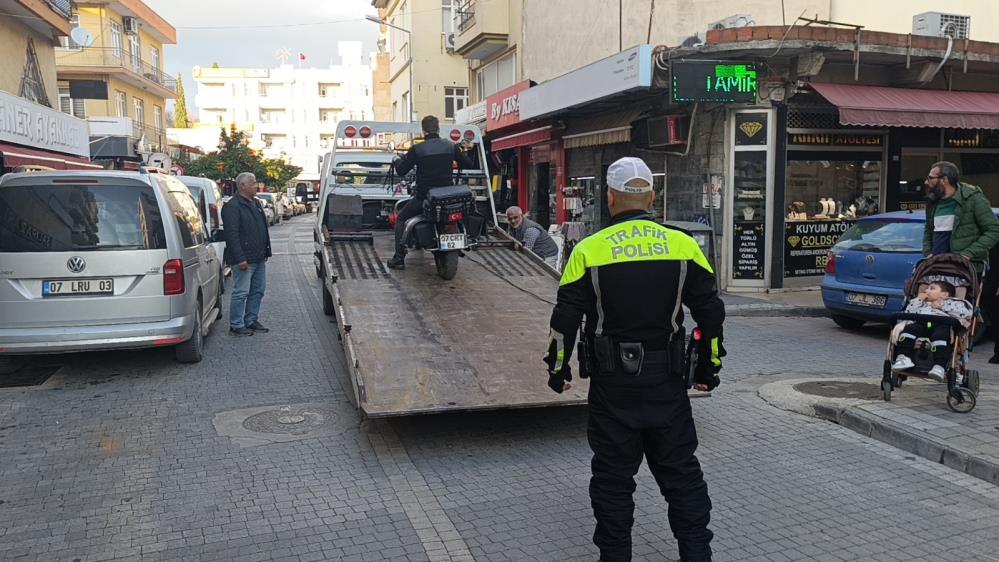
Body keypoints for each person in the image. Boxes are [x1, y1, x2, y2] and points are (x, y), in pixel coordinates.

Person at [544, 157, 725, 562]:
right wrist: (709, 369)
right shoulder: (684, 246)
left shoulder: (589, 250)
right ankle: (697, 554)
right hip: (667, 386)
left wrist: (559, 370)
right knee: (682, 478)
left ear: (610, 197)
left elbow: (564, 319)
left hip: (613, 389)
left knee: (612, 481)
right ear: (652, 197)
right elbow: (711, 313)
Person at [387, 115, 475, 269]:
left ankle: (399, 258)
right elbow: (468, 163)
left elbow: (401, 171)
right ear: (438, 129)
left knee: (401, 218)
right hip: (448, 198)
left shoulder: (417, 149)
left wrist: (397, 160)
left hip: (425, 198)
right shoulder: (450, 146)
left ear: (423, 131)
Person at [221, 172, 272, 337]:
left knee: (258, 291)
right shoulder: (232, 207)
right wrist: (240, 258)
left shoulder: (255, 203)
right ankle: (236, 325)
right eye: (253, 183)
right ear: (242, 186)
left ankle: (251, 320)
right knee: (241, 292)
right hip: (244, 259)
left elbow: (262, 228)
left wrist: (265, 251)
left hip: (258, 257)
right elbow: (232, 234)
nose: (256, 186)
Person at [892, 280, 972, 382]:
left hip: (942, 324)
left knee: (941, 336)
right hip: (922, 323)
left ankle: (939, 366)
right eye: (927, 288)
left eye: (932, 288)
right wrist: (918, 300)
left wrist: (942, 305)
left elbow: (966, 313)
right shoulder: (922, 303)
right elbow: (908, 312)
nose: (926, 290)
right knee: (909, 330)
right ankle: (904, 357)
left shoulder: (954, 302)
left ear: (944, 294)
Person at [922, 161, 999, 267]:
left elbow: (994, 230)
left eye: (930, 178)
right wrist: (928, 252)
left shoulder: (973, 198)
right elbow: (928, 229)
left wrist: (968, 254)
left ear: (944, 180)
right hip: (938, 266)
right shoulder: (932, 201)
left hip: (966, 268)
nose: (926, 182)